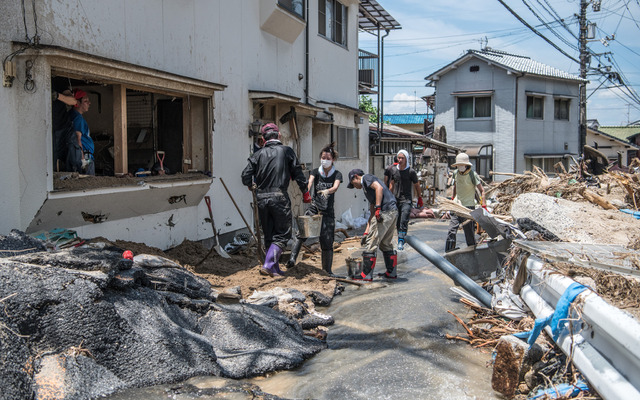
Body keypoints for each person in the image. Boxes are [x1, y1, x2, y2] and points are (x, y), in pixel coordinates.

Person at [241, 123, 311, 277]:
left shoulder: (257, 154)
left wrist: (251, 185)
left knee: (269, 234)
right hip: (279, 197)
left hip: (261, 198)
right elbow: (298, 174)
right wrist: (305, 192)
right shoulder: (286, 151)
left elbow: (245, 175)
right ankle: (268, 265)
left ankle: (274, 268)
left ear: (263, 138)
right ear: (279, 135)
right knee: (282, 235)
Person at [287, 143, 343, 277]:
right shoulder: (315, 172)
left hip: (328, 212)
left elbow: (335, 187)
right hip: (314, 208)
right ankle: (292, 259)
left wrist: (327, 191)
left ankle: (327, 271)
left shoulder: (337, 174)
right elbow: (310, 182)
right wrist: (306, 189)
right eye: (322, 157)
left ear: (332, 160)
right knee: (302, 233)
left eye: (327, 158)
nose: (324, 160)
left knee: (327, 242)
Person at [347, 169, 398, 281]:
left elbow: (379, 188)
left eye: (353, 184)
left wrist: (379, 208)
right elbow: (371, 211)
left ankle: (366, 275)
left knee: (371, 244)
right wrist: (366, 231)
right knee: (385, 243)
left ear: (356, 177)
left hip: (384, 211)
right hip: (392, 211)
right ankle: (391, 272)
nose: (354, 187)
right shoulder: (367, 189)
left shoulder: (366, 178)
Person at [445, 152, 485, 252]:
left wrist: (483, 205)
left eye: (462, 165)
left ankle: (472, 251)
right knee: (451, 230)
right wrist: (452, 199)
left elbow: (482, 190)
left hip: (468, 207)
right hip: (457, 205)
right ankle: (449, 251)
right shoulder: (455, 173)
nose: (460, 167)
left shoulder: (472, 174)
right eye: (458, 165)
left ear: (466, 165)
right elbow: (455, 187)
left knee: (469, 232)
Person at [386, 149, 423, 251]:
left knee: (404, 219)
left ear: (406, 159)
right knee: (397, 221)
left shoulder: (411, 172)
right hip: (396, 199)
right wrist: (389, 196)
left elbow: (417, 185)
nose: (400, 160)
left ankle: (401, 240)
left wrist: (419, 198)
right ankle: (401, 237)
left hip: (406, 200)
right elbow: (391, 184)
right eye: (399, 158)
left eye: (402, 158)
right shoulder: (394, 170)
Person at [67, 89, 95, 175]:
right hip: (84, 156)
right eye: (85, 101)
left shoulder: (71, 114)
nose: (89, 103)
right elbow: (77, 139)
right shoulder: (77, 118)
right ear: (77, 103)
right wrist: (83, 160)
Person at [51, 89, 77, 171]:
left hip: (62, 127)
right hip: (49, 128)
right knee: (52, 157)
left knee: (69, 156)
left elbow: (73, 101)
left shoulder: (60, 81)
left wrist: (57, 95)